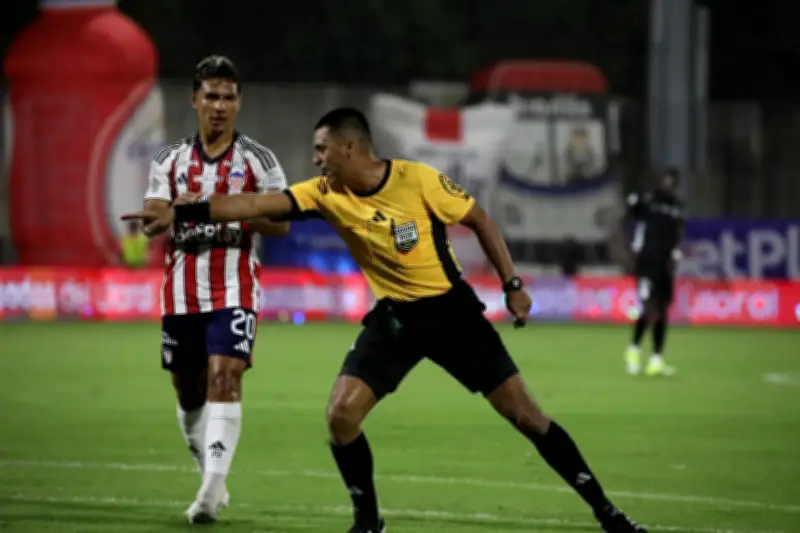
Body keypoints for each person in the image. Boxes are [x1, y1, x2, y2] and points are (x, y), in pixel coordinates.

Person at [125, 107, 647, 533]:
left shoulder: (418, 181)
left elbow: (480, 220)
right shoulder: (324, 194)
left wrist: (512, 285)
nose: (315, 160)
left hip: (452, 315)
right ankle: (368, 521)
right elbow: (256, 203)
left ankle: (606, 511)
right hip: (395, 320)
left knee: (528, 418)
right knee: (340, 417)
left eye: (321, 150)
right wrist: (182, 212)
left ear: (350, 148)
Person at [141, 55, 290, 523]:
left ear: (239, 102)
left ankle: (209, 493)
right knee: (188, 391)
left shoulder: (259, 160)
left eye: (228, 97)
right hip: (182, 292)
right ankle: (210, 473)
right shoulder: (169, 160)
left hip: (235, 288)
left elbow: (282, 223)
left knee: (226, 375)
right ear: (195, 100)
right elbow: (152, 217)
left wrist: (215, 209)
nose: (220, 106)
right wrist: (162, 214)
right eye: (211, 96)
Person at [621, 168, 685, 377]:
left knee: (663, 308)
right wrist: (628, 250)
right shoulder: (648, 199)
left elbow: (677, 233)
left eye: (672, 182)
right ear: (660, 181)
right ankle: (633, 350)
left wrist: (675, 254)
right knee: (648, 308)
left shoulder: (677, 207)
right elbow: (627, 217)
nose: (669, 185)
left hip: (665, 263)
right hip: (647, 261)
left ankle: (656, 358)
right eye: (666, 180)